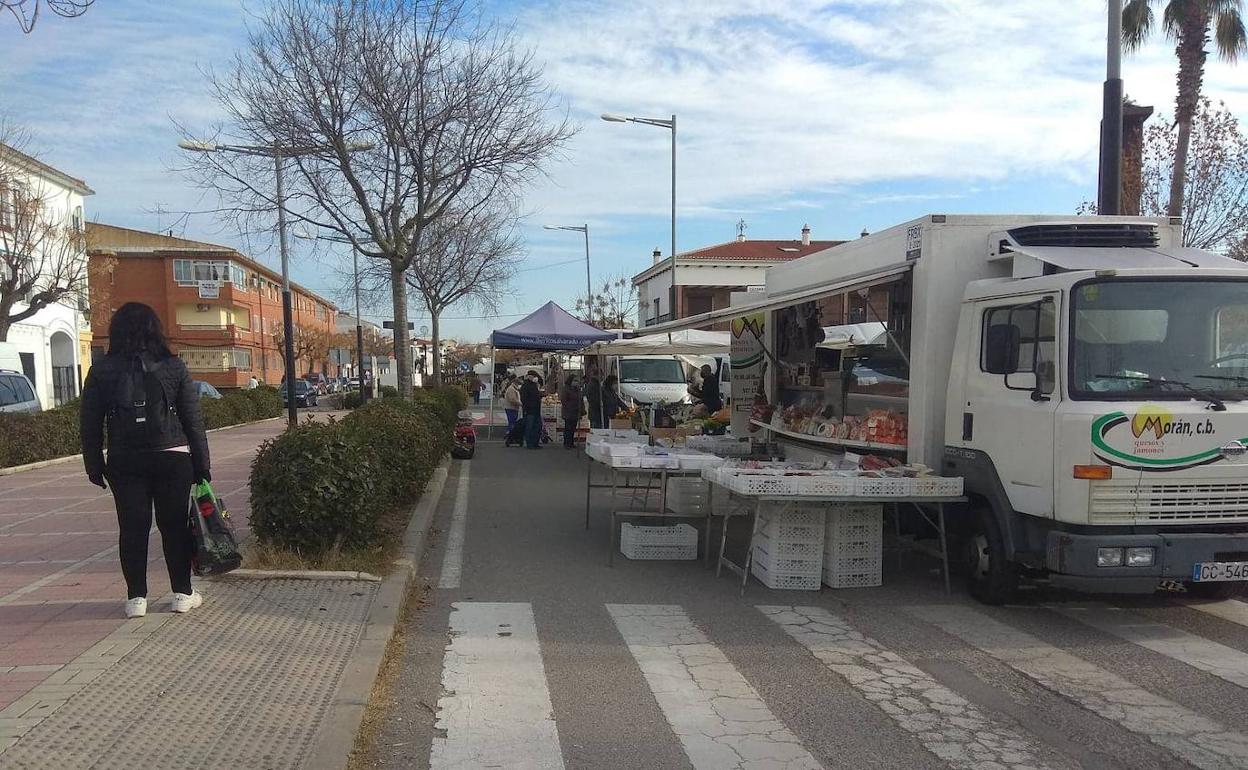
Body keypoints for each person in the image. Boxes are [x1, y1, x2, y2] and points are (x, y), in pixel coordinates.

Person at [80, 302, 210, 619]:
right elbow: (193, 420)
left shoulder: (101, 370)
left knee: (132, 528)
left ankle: (136, 598)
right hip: (172, 457)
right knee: (174, 526)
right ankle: (182, 592)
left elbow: (90, 423)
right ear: (155, 330)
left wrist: (94, 465)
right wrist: (202, 464)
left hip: (125, 459)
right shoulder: (174, 366)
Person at [520, 370, 544, 449]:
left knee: (538, 427)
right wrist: (528, 407)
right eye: (534, 376)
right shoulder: (525, 386)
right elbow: (524, 399)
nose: (535, 378)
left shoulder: (534, 385)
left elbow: (541, 382)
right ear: (529, 376)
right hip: (530, 411)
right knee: (530, 427)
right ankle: (530, 444)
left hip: (536, 410)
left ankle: (535, 443)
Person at [559, 374, 582, 449]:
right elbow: (563, 400)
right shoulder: (566, 389)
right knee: (568, 428)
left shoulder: (577, 389)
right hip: (568, 411)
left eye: (577, 381)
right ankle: (566, 443)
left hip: (575, 411)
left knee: (573, 428)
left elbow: (580, 398)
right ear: (570, 381)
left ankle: (571, 442)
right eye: (575, 380)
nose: (576, 382)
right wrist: (570, 407)